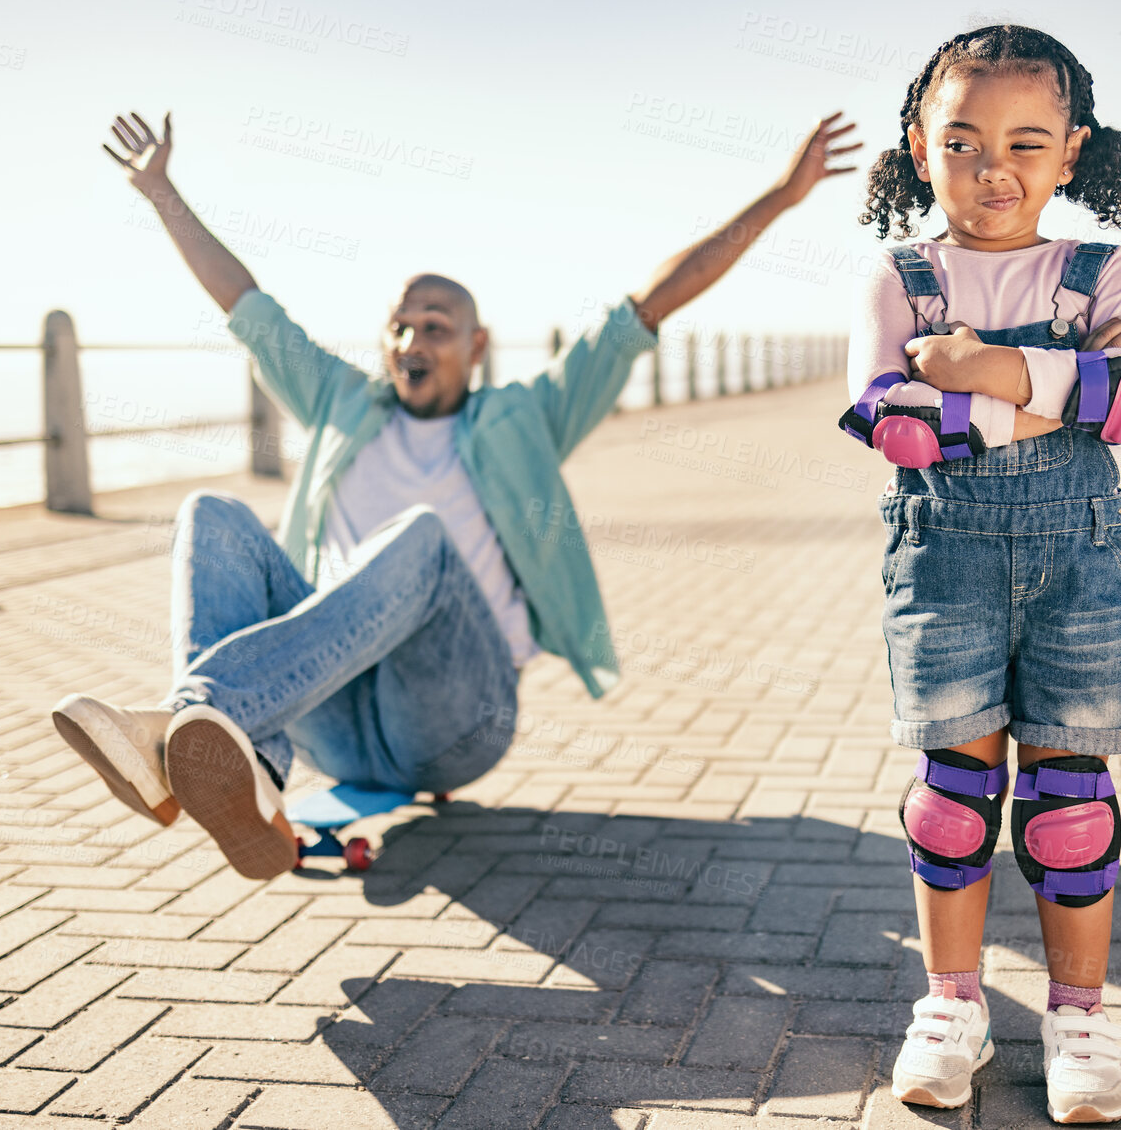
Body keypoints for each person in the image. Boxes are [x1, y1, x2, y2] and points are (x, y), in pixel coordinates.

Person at [50, 108, 860, 882]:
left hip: (454, 719)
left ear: (475, 346)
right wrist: (161, 192)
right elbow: (245, 305)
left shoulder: (528, 416)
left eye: (434, 325)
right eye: (399, 326)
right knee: (213, 514)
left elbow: (650, 303)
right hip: (328, 716)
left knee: (422, 536)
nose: (411, 340)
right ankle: (247, 764)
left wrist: (785, 197)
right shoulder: (341, 403)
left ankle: (181, 729)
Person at [839, 26, 1121, 1124]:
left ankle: (1079, 1018)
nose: (993, 170)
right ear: (917, 146)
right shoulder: (899, 278)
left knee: (1068, 809)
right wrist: (1069, 379)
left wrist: (975, 368)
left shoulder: (1101, 269)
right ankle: (951, 1006)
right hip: (943, 560)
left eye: (1026, 145)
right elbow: (895, 427)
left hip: (1080, 563)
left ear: (1071, 154)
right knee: (953, 802)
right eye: (962, 142)